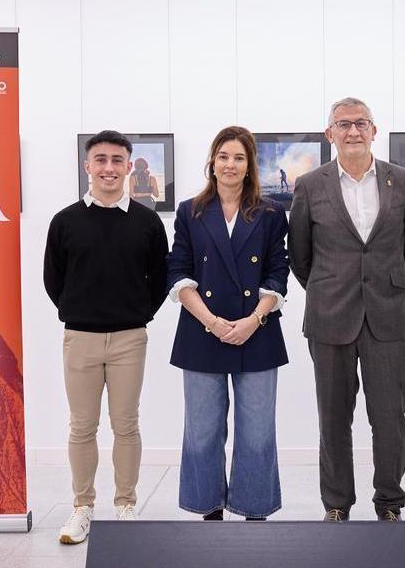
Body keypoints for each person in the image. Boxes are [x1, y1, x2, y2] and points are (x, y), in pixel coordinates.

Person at [289, 97, 405, 522]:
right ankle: (337, 504)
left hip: (388, 315)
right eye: (343, 124)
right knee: (333, 418)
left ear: (374, 131)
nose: (352, 131)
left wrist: (382, 284)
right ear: (330, 134)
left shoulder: (401, 181)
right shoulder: (310, 185)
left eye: (361, 123)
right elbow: (300, 258)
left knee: (388, 417)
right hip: (330, 317)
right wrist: (330, 290)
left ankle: (389, 502)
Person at [43, 130, 170, 544]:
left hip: (130, 338)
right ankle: (82, 508)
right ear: (87, 166)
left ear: (129, 167)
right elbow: (53, 280)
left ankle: (125, 506)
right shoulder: (64, 221)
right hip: (80, 337)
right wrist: (79, 311)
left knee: (126, 425)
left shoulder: (147, 222)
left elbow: (160, 280)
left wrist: (138, 315)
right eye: (101, 160)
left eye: (117, 160)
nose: (109, 168)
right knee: (82, 426)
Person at [167, 126, 289, 521]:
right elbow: (179, 274)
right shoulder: (190, 211)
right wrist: (213, 321)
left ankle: (254, 511)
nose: (230, 164)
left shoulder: (270, 213)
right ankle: (209, 510)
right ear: (212, 162)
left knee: (256, 433)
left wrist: (253, 320)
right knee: (202, 433)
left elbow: (277, 274)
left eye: (239, 157)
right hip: (202, 331)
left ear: (250, 164)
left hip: (258, 332)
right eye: (223, 156)